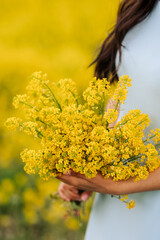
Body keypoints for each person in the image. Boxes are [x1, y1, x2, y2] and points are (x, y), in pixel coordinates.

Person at [57, 0, 160, 239]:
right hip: (117, 202)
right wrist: (93, 163)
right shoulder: (141, 5)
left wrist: (117, 185)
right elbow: (126, 89)